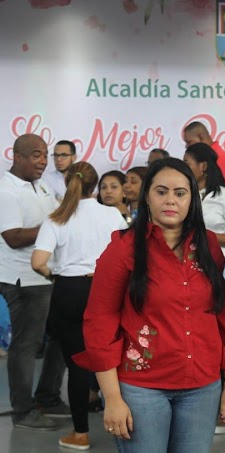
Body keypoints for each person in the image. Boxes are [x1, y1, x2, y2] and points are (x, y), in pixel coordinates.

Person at [73, 158, 225, 452]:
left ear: (192, 199)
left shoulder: (208, 246)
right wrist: (111, 397)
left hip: (202, 386)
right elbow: (100, 321)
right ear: (147, 197)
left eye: (180, 193)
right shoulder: (123, 248)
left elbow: (224, 314)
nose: (171, 201)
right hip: (141, 388)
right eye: (161, 191)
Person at [31, 161, 128, 450]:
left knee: (77, 367)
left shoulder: (56, 218)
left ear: (66, 183)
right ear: (95, 186)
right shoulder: (112, 214)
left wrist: (54, 274)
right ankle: (126, 425)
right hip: (106, 289)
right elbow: (128, 253)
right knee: (116, 360)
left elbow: (38, 262)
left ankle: (81, 434)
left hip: (69, 291)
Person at [0, 133, 68, 431]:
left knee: (63, 335)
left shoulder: (41, 185)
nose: (43, 161)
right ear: (18, 157)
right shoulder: (5, 190)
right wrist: (50, 229)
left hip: (48, 275)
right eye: (37, 155)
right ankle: (23, 411)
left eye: (45, 155)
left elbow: (58, 215)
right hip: (23, 279)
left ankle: (48, 397)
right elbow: (13, 238)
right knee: (26, 345)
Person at [183, 143, 225, 257]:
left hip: (220, 265)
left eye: (187, 164)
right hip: (188, 264)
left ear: (203, 166)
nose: (183, 170)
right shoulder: (184, 197)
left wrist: (206, 236)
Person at [183, 121, 225, 190]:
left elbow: (219, 186)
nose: (186, 146)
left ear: (200, 137)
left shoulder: (219, 156)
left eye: (189, 142)